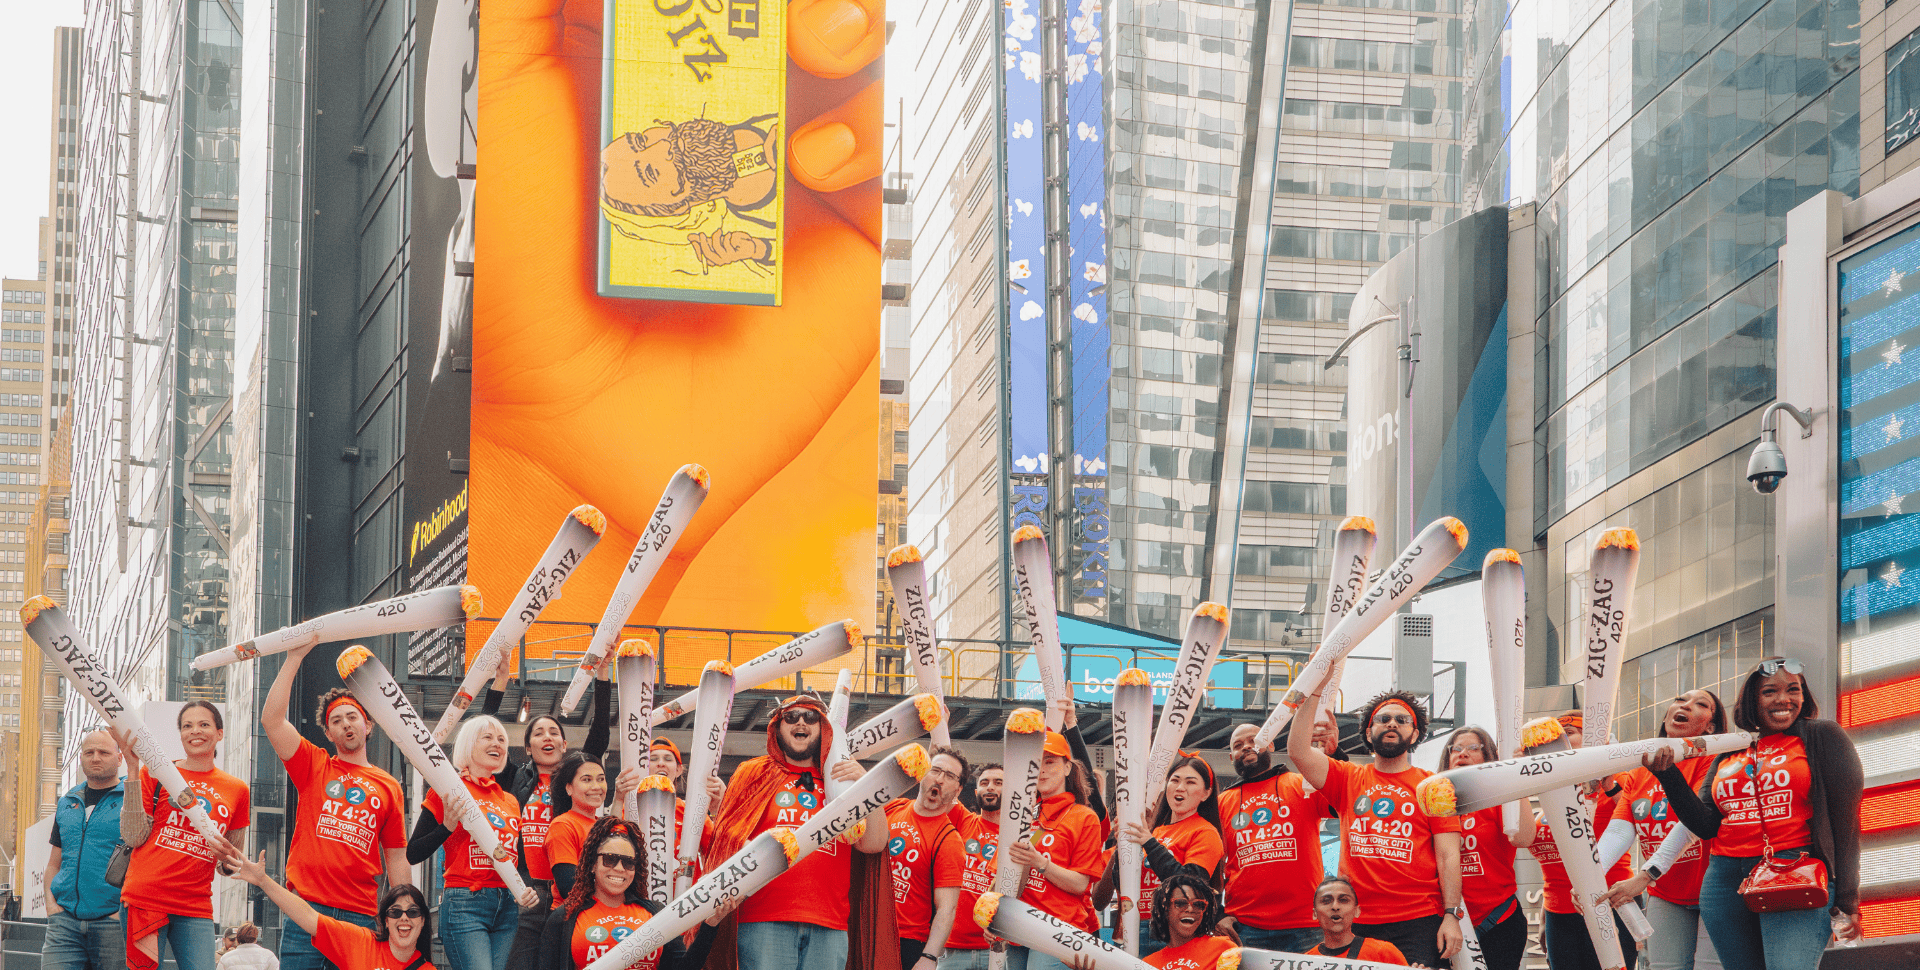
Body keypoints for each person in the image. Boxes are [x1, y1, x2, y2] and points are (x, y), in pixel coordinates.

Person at [1650, 658, 1865, 968]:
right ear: (1751, 700)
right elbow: (1706, 825)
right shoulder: (1731, 747)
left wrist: (1849, 901)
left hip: (1793, 870)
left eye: (1794, 690)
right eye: (1769, 692)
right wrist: (1669, 775)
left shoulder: (1822, 736)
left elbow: (1847, 825)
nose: (1783, 700)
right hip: (1723, 881)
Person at [704, 694, 886, 970]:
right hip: (762, 919)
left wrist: (866, 784)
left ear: (823, 728)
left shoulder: (841, 777)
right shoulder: (752, 774)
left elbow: (874, 843)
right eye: (791, 716)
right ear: (776, 728)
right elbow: (727, 840)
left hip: (829, 923)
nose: (801, 722)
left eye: (811, 717)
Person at [1287, 688, 1462, 967]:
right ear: (1369, 733)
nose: (1392, 724)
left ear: (1415, 735)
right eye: (1383, 719)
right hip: (1357, 921)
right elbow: (1297, 750)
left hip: (1418, 920)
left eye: (1402, 720)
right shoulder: (1347, 777)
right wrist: (1314, 691)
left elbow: (1449, 855)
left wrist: (1452, 915)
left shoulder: (1434, 786)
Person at [263, 642, 411, 970]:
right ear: (329, 732)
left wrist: (405, 914)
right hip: (307, 912)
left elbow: (397, 858)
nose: (346, 724)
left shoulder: (390, 787)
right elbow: (272, 721)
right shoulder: (313, 765)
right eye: (337, 720)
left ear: (368, 725)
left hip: (361, 916)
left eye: (353, 717)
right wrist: (293, 658)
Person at [480, 664, 614, 970]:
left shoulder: (574, 783)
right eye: (538, 733)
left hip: (566, 887)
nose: (547, 737)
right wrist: (499, 683)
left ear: (564, 745)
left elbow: (600, 736)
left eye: (554, 732)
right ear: (528, 747)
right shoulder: (512, 779)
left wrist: (603, 677)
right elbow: (481, 733)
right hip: (524, 889)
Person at [118, 701, 252, 970]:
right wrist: (133, 770)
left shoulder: (238, 790)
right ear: (180, 734)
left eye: (204, 724)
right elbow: (133, 836)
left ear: (219, 733)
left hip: (195, 904)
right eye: (187, 726)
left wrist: (225, 859)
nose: (195, 731)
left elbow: (229, 863)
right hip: (146, 896)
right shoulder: (156, 773)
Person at [1600, 690, 1728, 970]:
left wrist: (1646, 875)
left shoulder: (1715, 761)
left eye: (1701, 704)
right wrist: (1589, 875)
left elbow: (1691, 827)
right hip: (1667, 895)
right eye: (1680, 700)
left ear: (1711, 726)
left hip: (1716, 889)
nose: (1685, 706)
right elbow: (1619, 832)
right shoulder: (1639, 771)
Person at [408, 715, 527, 970]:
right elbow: (413, 852)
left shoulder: (510, 800)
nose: (497, 744)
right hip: (466, 902)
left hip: (507, 905)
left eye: (502, 739)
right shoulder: (448, 788)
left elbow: (514, 854)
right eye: (488, 737)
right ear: (468, 744)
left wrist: (522, 889)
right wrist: (446, 828)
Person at [1526, 714, 1636, 970]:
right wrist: (1545, 912)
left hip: (1609, 900)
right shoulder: (1550, 786)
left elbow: (1640, 822)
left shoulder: (1616, 778)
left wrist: (1609, 787)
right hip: (1559, 911)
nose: (1558, 742)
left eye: (1567, 733)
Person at [538, 817, 721, 970]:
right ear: (593, 864)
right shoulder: (564, 917)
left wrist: (710, 926)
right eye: (610, 859)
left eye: (628, 862)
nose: (619, 868)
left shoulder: (656, 913)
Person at [225, 847, 436, 970]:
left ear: (423, 920)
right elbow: (308, 916)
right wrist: (263, 881)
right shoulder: (361, 942)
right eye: (395, 912)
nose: (404, 918)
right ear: (386, 921)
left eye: (413, 912)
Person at [1216, 723, 1328, 953]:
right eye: (1238, 745)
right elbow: (1209, 866)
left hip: (1306, 924)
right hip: (1245, 927)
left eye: (1253, 740)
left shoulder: (1302, 784)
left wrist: (1333, 756)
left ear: (1271, 744)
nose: (1246, 747)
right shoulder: (1221, 803)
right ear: (1231, 757)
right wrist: (1218, 914)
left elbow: (1342, 800)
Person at [1098, 756, 1225, 957]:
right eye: (1174, 780)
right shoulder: (1155, 831)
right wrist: (1123, 843)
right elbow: (1122, 885)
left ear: (1206, 793)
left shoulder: (1205, 832)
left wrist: (1149, 843)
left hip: (1171, 933)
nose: (1180, 787)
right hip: (1133, 927)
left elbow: (1190, 885)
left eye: (1190, 782)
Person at [1003, 731, 1106, 970]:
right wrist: (994, 914)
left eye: (1050, 762)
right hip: (1017, 927)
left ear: (1068, 767)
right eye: (1036, 763)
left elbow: (1081, 884)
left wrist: (1040, 862)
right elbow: (1008, 876)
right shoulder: (1027, 816)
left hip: (1059, 929)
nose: (1042, 770)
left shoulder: (1084, 817)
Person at [1435, 726, 1532, 970]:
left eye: (1473, 748)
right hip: (1446, 920)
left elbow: (1524, 838)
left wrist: (1516, 778)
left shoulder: (1498, 798)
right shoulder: (1432, 803)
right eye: (1455, 749)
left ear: (1489, 756)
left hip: (1499, 918)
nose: (1462, 754)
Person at [44, 730, 128, 970]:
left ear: (120, 758)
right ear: (81, 758)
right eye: (89, 752)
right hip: (64, 923)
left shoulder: (132, 798)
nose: (96, 758)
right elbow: (54, 863)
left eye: (104, 752)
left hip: (113, 922)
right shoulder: (67, 801)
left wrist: (119, 912)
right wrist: (52, 907)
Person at [883, 746, 970, 970]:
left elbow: (947, 908)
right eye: (935, 770)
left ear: (958, 790)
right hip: (864, 926)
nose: (940, 780)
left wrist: (929, 957)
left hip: (906, 941)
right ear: (923, 773)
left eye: (949, 776)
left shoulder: (949, 840)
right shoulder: (893, 807)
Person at [544, 754, 642, 897]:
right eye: (587, 780)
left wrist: (619, 797)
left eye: (601, 779)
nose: (596, 786)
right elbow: (569, 888)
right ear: (569, 788)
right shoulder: (563, 825)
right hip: (576, 915)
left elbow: (612, 829)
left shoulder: (601, 825)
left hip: (608, 911)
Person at [940, 764, 1002, 970]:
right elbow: (941, 783)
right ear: (976, 792)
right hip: (952, 948)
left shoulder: (1028, 834)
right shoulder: (963, 819)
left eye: (998, 783)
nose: (990, 787)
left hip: (997, 949)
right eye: (984, 783)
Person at [1138, 866, 1235, 970]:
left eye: (1198, 904)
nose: (1190, 909)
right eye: (1180, 903)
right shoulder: (1148, 963)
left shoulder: (1223, 949)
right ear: (1165, 909)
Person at [1301, 876, 1407, 965]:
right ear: (1315, 913)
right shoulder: (1306, 962)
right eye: (1326, 901)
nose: (1335, 907)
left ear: (1357, 911)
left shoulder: (1383, 953)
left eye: (1343, 900)